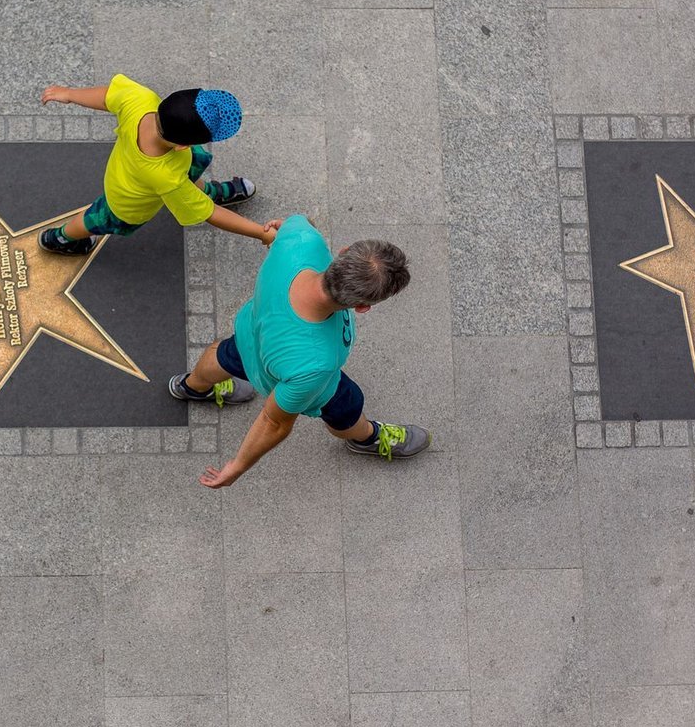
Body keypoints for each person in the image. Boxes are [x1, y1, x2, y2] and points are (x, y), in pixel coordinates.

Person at [170, 216, 430, 487]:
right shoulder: (316, 364)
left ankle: (191, 387)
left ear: (342, 252)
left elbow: (293, 223)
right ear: (363, 306)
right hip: (305, 380)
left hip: (252, 334)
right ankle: (366, 438)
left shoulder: (303, 239)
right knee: (347, 407)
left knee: (224, 354)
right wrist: (237, 466)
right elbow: (274, 421)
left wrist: (281, 236)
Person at [37, 74, 270, 254]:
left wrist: (69, 93)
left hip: (146, 171)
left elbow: (107, 96)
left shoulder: (141, 100)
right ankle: (60, 238)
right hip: (126, 200)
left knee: (189, 178)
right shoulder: (167, 177)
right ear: (182, 146)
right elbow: (209, 214)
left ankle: (207, 191)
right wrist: (260, 233)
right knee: (95, 218)